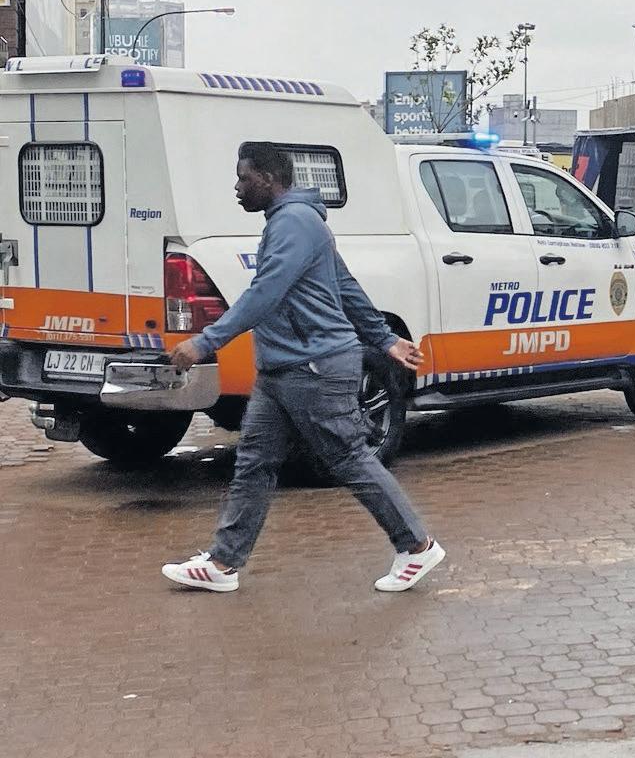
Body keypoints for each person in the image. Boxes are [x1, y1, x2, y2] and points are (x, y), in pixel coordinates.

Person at [162, 142, 442, 594]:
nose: (237, 187)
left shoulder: (293, 222)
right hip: (282, 369)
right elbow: (344, 284)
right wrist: (383, 337)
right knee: (254, 463)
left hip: (314, 367)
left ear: (269, 180)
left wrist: (204, 341)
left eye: (244, 178)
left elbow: (265, 293)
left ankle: (416, 545)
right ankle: (223, 563)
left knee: (348, 458)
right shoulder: (294, 221)